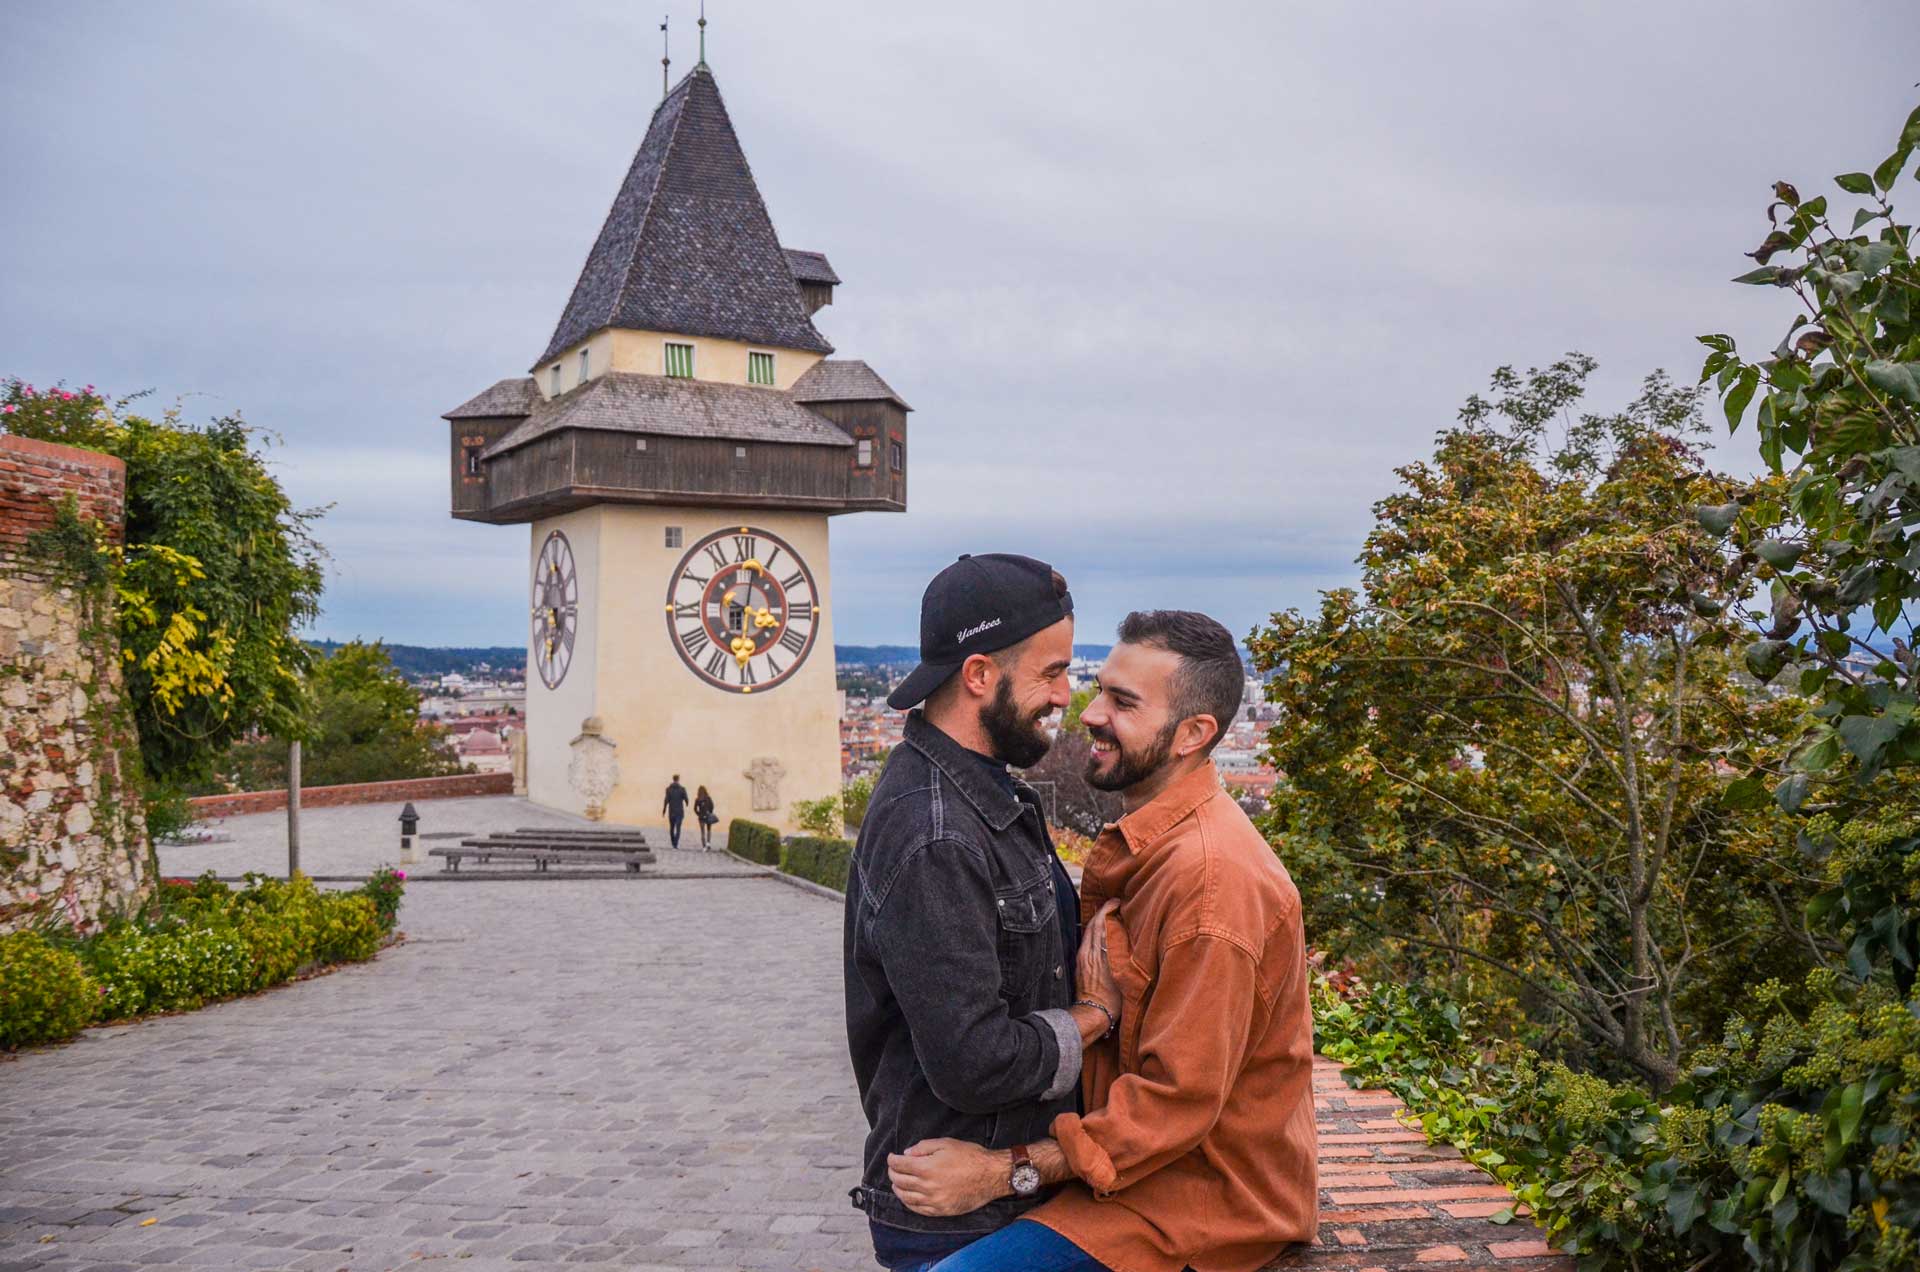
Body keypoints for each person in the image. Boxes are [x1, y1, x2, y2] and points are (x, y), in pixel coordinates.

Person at [886, 611, 1319, 1272]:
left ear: (1193, 734)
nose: (1088, 713)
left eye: (1122, 702)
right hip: (1132, 1180)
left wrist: (1006, 1172)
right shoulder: (1160, 847)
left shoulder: (1212, 885)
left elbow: (1175, 1105)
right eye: (1098, 689)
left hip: (1193, 1206)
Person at [845, 554, 1123, 1270]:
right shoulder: (936, 832)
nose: (1068, 694)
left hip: (996, 1197)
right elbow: (974, 1062)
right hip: (959, 1216)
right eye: (1053, 671)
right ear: (978, 675)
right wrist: (1095, 1015)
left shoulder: (982, 797)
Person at [661, 774, 688, 849]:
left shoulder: (668, 789)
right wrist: (686, 802)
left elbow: (666, 800)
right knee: (678, 828)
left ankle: (673, 841)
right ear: (678, 779)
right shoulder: (682, 789)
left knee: (672, 827)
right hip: (679, 812)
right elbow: (686, 798)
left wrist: (664, 810)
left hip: (671, 811)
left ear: (673, 779)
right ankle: (675, 843)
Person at [693, 784, 717, 850]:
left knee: (702, 832)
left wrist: (699, 814)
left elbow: (695, 809)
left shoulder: (697, 799)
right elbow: (712, 806)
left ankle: (704, 846)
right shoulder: (708, 798)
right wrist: (710, 812)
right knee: (709, 830)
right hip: (708, 816)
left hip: (701, 817)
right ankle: (708, 843)